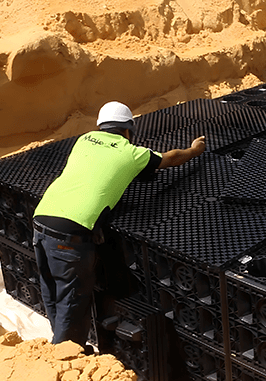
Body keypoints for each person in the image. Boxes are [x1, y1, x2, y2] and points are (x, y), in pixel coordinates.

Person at [32, 101, 206, 351]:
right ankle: (66, 357)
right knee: (73, 299)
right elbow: (171, 158)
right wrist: (194, 150)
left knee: (51, 289)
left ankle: (58, 345)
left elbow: (93, 176)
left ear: (101, 126)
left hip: (41, 219)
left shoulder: (84, 140)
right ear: (128, 130)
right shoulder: (130, 153)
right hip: (70, 234)